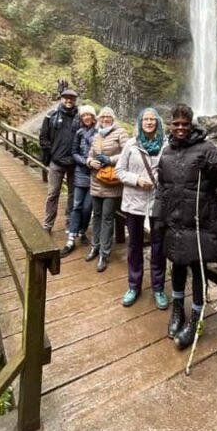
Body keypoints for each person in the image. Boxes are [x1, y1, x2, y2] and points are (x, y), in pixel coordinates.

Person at [153, 103, 217, 350]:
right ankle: (178, 311)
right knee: (176, 265)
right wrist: (157, 217)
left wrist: (212, 169)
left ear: (191, 124)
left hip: (199, 221)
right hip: (174, 220)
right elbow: (161, 188)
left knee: (197, 269)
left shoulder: (206, 148)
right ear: (170, 125)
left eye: (184, 124)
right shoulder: (166, 152)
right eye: (176, 124)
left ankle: (196, 317)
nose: (180, 128)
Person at [115, 108, 168, 310]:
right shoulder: (131, 144)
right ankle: (133, 286)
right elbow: (119, 171)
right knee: (134, 246)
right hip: (134, 203)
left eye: (152, 119)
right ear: (139, 122)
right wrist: (136, 180)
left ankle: (158, 288)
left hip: (157, 203)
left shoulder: (166, 145)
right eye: (145, 119)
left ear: (158, 123)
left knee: (158, 247)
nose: (149, 122)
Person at [86, 107, 128, 272]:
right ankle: (94, 246)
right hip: (96, 180)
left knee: (107, 217)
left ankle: (104, 253)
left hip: (111, 183)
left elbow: (127, 153)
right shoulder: (96, 134)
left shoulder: (120, 132)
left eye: (108, 117)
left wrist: (110, 160)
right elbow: (90, 154)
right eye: (102, 117)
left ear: (113, 118)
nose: (105, 119)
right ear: (99, 119)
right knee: (96, 215)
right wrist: (90, 162)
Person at [39, 89, 79, 234]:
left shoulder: (80, 117)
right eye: (66, 98)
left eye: (72, 98)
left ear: (75, 100)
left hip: (74, 164)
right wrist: (52, 153)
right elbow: (43, 137)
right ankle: (48, 224)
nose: (69, 100)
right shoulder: (51, 116)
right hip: (56, 162)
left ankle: (69, 223)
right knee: (53, 193)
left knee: (73, 195)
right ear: (61, 99)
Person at [62, 105, 97, 257]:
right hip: (80, 173)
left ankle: (82, 230)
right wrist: (85, 162)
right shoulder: (79, 133)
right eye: (84, 116)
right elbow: (74, 152)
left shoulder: (99, 132)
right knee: (76, 206)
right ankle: (71, 238)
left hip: (95, 176)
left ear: (93, 117)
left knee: (87, 207)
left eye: (89, 115)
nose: (87, 117)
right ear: (82, 118)